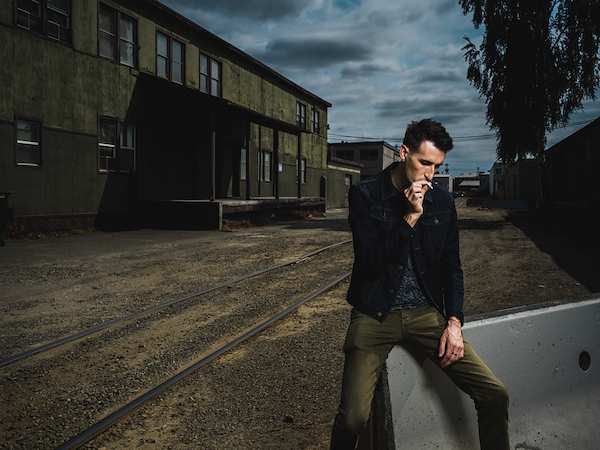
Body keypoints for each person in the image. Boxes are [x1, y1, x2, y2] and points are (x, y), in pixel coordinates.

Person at [329, 119, 509, 450]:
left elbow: (452, 268)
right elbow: (369, 264)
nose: (430, 174)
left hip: (427, 313)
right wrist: (410, 216)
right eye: (425, 162)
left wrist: (454, 322)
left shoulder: (443, 202)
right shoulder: (365, 194)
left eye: (437, 166)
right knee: (352, 419)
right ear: (404, 153)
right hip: (374, 312)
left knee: (495, 393)